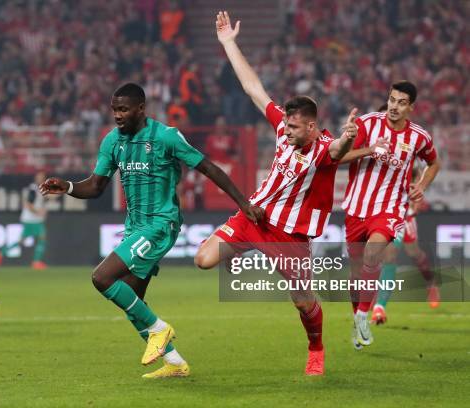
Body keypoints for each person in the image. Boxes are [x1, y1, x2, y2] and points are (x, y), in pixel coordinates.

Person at [39, 82, 263, 379]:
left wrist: (243, 203)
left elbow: (208, 168)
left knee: (101, 277)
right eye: (114, 109)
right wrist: (66, 186)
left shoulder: (165, 137)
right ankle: (174, 362)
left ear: (141, 109)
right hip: (135, 228)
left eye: (124, 109)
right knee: (132, 300)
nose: (118, 115)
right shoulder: (112, 142)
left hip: (161, 223)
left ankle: (160, 328)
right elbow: (95, 186)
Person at [193, 11, 360, 376]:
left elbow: (337, 152)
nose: (286, 130)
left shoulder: (323, 147)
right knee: (203, 259)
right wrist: (228, 44)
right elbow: (254, 89)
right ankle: (241, 249)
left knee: (302, 301)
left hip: (291, 234)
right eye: (285, 122)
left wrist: (348, 136)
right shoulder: (285, 128)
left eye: (295, 126)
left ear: (313, 126)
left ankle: (316, 347)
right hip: (255, 216)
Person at [340, 81, 441, 349]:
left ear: (411, 107)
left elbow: (434, 163)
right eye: (391, 100)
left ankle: (366, 313)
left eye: (401, 102)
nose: (394, 106)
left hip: (390, 209)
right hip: (355, 208)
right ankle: (357, 318)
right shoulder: (367, 123)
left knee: (377, 253)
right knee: (355, 277)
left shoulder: (419, 137)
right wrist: (370, 149)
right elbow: (339, 157)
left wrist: (421, 186)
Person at [371, 166, 440, 325]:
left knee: (414, 253)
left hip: (406, 218)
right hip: (390, 216)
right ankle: (380, 305)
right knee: (388, 255)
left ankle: (431, 283)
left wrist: (417, 201)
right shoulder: (388, 167)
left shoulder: (411, 166)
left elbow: (420, 183)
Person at [0, 171, 49, 270]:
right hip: (32, 219)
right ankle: (36, 262)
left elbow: (42, 201)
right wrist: (38, 212)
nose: (40, 179)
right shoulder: (33, 190)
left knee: (22, 241)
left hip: (32, 219)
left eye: (42, 178)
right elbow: (28, 204)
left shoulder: (39, 189)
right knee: (41, 238)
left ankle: (0, 253)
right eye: (39, 177)